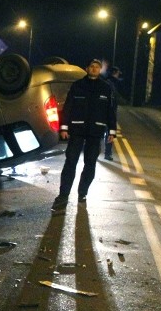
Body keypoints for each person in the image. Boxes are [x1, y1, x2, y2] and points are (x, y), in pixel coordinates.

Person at [52, 59, 116, 210]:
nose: (94, 69)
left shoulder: (106, 88)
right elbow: (68, 107)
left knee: (90, 164)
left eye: (97, 67)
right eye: (91, 66)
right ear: (87, 69)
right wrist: (64, 128)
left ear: (99, 70)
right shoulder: (77, 86)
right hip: (77, 130)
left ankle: (83, 192)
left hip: (95, 131)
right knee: (70, 162)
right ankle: (63, 195)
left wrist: (112, 131)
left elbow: (110, 111)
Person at [102, 66, 123, 161]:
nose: (119, 75)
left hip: (104, 111)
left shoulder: (106, 81)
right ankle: (107, 153)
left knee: (101, 132)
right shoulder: (112, 83)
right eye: (118, 73)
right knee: (109, 132)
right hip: (109, 111)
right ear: (114, 73)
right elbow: (113, 99)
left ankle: (97, 152)